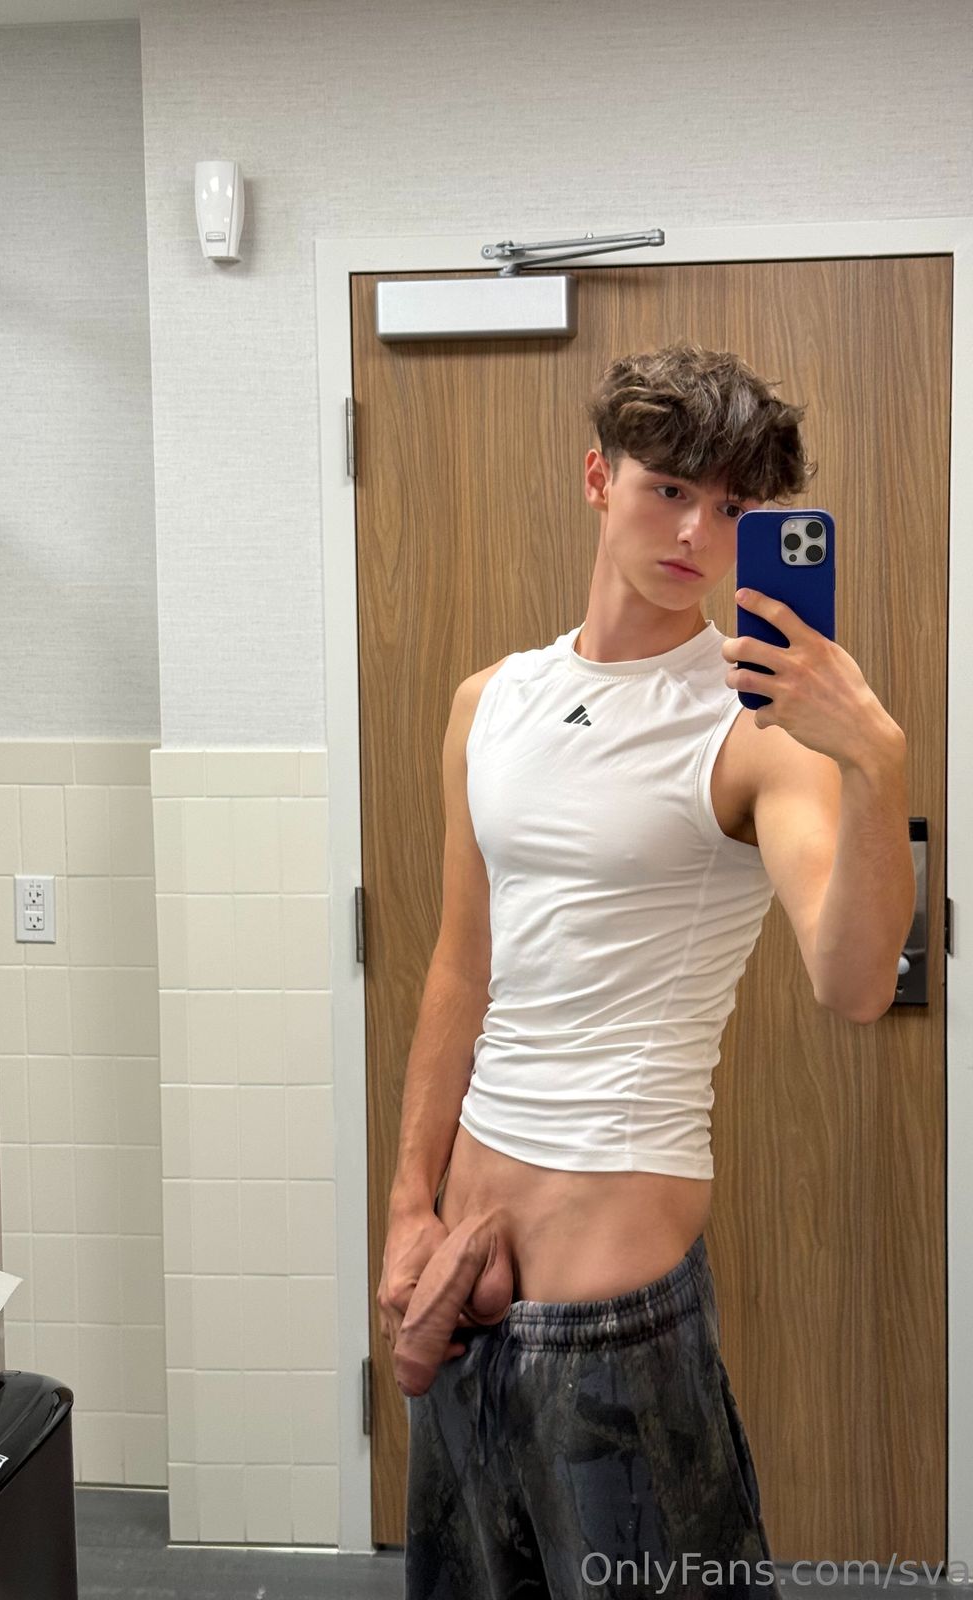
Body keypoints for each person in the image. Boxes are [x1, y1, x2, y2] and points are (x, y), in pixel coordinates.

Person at [378, 342, 916, 1598]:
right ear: (597, 478)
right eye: (668, 488)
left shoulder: (756, 732)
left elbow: (853, 982)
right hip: (467, 1292)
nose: (694, 533)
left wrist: (875, 765)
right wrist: (408, 1203)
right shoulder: (488, 702)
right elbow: (461, 966)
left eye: (730, 508)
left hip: (616, 1318)